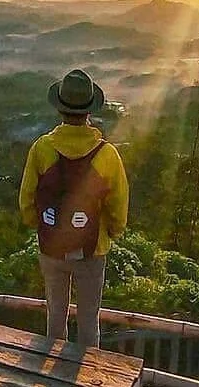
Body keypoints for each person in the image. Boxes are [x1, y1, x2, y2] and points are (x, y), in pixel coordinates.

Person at [18, 69, 129, 347]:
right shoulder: (107, 154)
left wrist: (40, 224)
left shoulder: (41, 149)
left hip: (52, 247)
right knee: (90, 320)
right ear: (89, 111)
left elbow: (27, 200)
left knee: (56, 316)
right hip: (92, 250)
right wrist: (112, 233)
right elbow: (118, 205)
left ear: (60, 108)